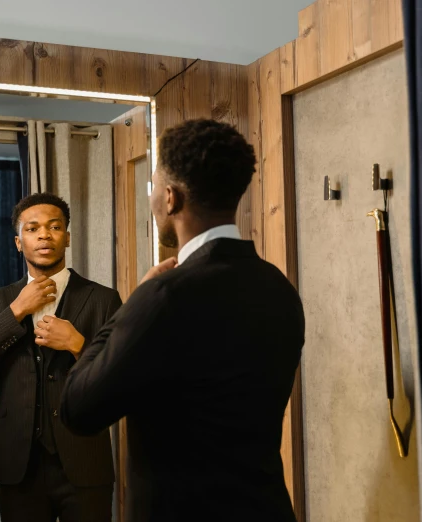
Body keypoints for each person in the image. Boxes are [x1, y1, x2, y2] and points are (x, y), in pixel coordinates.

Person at [58, 119, 305, 522]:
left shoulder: (163, 297)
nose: (152, 197)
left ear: (170, 198)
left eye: (153, 187)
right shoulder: (279, 289)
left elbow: (78, 408)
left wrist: (131, 305)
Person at [0, 192, 121, 522]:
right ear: (18, 242)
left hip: (85, 460)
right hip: (19, 464)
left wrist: (78, 345)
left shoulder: (103, 299)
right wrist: (15, 311)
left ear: (67, 237)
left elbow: (120, 379)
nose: (44, 234)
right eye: (33, 228)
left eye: (54, 226)